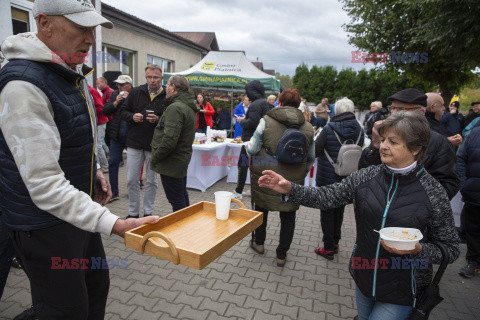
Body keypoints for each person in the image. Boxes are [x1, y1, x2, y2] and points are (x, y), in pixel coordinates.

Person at [0, 1, 158, 318]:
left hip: (76, 211)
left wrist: (96, 169)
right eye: (80, 27)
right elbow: (44, 184)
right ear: (44, 23)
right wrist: (115, 224)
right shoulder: (23, 85)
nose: (90, 38)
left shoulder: (69, 72)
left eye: (92, 28)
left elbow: (75, 135)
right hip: (42, 223)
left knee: (96, 286)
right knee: (65, 309)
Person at [259, 111, 460, 320]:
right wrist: (290, 189)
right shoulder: (367, 176)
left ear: (416, 148)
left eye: (393, 141)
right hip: (364, 276)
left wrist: (419, 250)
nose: (383, 146)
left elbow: (451, 249)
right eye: (382, 140)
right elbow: (327, 196)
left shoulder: (433, 192)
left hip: (404, 290)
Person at [246, 88, 314, 267]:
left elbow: (252, 149)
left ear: (280, 102)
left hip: (266, 175)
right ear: (298, 104)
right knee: (288, 215)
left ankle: (259, 244)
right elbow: (311, 158)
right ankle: (281, 255)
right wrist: (301, 174)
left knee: (261, 210)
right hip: (292, 181)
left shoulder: (266, 121)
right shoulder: (307, 127)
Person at [359, 88, 459, 200]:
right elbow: (363, 174)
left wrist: (412, 204)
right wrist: (376, 145)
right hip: (378, 208)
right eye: (392, 108)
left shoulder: (439, 143)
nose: (394, 113)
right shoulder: (384, 136)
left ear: (420, 113)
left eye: (401, 109)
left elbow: (448, 185)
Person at [314, 98, 364, 259]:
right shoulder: (359, 129)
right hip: (348, 177)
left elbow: (316, 150)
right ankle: (336, 242)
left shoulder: (329, 128)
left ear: (336, 111)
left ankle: (328, 248)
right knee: (339, 209)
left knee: (327, 211)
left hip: (328, 176)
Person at [120, 64, 166, 218]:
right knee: (132, 179)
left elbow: (170, 119)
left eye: (155, 77)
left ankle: (148, 212)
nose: (152, 80)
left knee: (152, 181)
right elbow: (123, 112)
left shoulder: (167, 95)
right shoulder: (136, 91)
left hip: (154, 144)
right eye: (149, 77)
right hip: (134, 142)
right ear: (145, 77)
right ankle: (133, 213)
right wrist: (132, 117)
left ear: (161, 78)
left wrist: (159, 119)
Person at [150, 75, 198, 212]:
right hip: (179, 160)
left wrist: (156, 157)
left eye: (168, 84)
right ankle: (186, 224)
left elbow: (169, 141)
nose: (165, 88)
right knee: (181, 195)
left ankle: (182, 230)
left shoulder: (176, 107)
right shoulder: (186, 105)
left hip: (171, 162)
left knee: (177, 200)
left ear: (174, 88)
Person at [233, 81, 271, 199]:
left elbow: (252, 123)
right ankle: (255, 189)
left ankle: (238, 192)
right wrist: (247, 118)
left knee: (242, 165)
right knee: (254, 166)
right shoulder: (264, 103)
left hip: (250, 141)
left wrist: (242, 121)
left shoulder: (255, 104)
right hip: (259, 140)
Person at [103, 74, 133, 201]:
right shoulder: (115, 94)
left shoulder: (136, 94)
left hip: (131, 136)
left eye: (122, 84)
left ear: (129, 85)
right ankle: (114, 192)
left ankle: (133, 191)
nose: (119, 87)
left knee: (133, 166)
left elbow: (138, 112)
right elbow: (106, 111)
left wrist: (127, 100)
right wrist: (116, 101)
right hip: (116, 135)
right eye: (118, 84)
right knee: (113, 162)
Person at [457, 126, 480, 278]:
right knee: (473, 231)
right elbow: (461, 158)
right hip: (475, 195)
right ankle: (474, 263)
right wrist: (465, 184)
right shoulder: (475, 133)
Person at [89, 84, 109, 173]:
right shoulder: (89, 90)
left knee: (98, 145)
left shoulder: (91, 91)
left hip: (100, 122)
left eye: (98, 83)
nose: (97, 85)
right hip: (96, 123)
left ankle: (105, 167)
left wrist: (88, 111)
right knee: (100, 144)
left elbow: (100, 107)